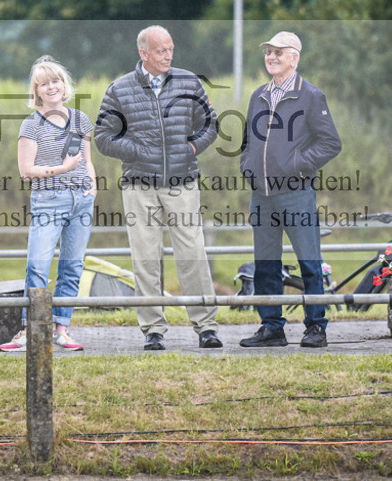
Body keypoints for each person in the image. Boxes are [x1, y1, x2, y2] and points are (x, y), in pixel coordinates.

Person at [95, 25, 222, 351]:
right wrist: (137, 151)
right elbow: (103, 138)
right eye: (161, 50)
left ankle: (206, 326)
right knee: (146, 257)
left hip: (182, 182)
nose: (168, 55)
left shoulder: (188, 82)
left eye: (170, 49)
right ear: (144, 53)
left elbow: (211, 122)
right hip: (139, 186)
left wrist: (192, 148)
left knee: (192, 253)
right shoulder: (119, 89)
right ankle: (153, 329)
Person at [239, 31, 342, 349]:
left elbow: (330, 143)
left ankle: (316, 328)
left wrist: (297, 164)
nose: (271, 56)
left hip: (296, 193)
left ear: (294, 57)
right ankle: (272, 328)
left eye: (278, 52)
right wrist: (248, 169)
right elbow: (247, 143)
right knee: (265, 264)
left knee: (309, 262)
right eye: (268, 51)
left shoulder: (311, 95)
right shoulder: (258, 95)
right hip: (262, 195)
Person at [0, 56, 97, 352]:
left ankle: (61, 329)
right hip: (48, 200)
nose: (52, 87)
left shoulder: (80, 119)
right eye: (45, 83)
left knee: (73, 266)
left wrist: (93, 185)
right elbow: (26, 171)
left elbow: (88, 160)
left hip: (81, 202)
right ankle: (30, 329)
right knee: (38, 265)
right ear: (37, 91)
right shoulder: (31, 125)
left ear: (64, 85)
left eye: (56, 81)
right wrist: (62, 170)